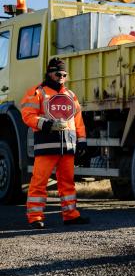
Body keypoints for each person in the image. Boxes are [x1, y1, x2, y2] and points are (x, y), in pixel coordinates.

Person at [20, 58, 90, 229]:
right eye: (58, 73)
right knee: (39, 182)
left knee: (67, 182)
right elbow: (27, 115)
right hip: (46, 146)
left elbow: (78, 121)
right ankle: (35, 217)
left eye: (64, 74)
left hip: (67, 147)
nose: (61, 77)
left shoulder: (70, 95)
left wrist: (81, 141)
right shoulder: (38, 92)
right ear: (49, 73)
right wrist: (47, 124)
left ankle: (71, 215)